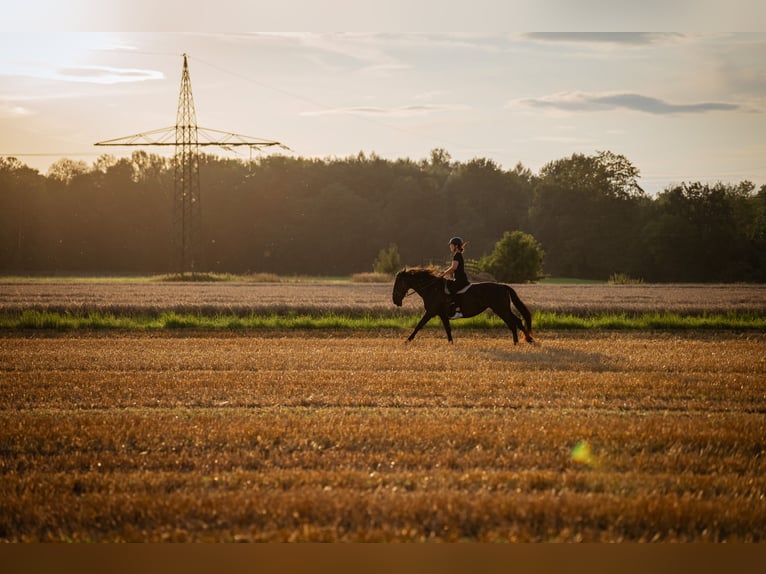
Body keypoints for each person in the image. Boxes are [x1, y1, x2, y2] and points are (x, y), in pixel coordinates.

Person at [440, 236, 469, 319]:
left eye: (451, 245)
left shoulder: (456, 255)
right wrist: (445, 273)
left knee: (452, 289)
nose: (450, 246)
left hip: (460, 280)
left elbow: (453, 268)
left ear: (456, 246)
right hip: (459, 279)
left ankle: (458, 311)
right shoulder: (458, 255)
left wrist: (443, 274)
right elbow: (453, 269)